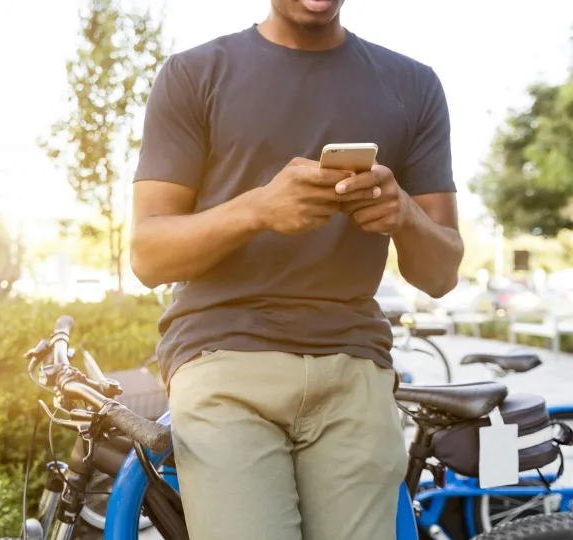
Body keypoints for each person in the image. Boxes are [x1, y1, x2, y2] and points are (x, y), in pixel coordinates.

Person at [130, 0, 464, 538]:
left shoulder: (413, 84)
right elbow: (148, 255)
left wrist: (403, 214)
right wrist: (257, 210)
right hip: (224, 360)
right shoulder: (193, 74)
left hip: (354, 367)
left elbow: (441, 274)